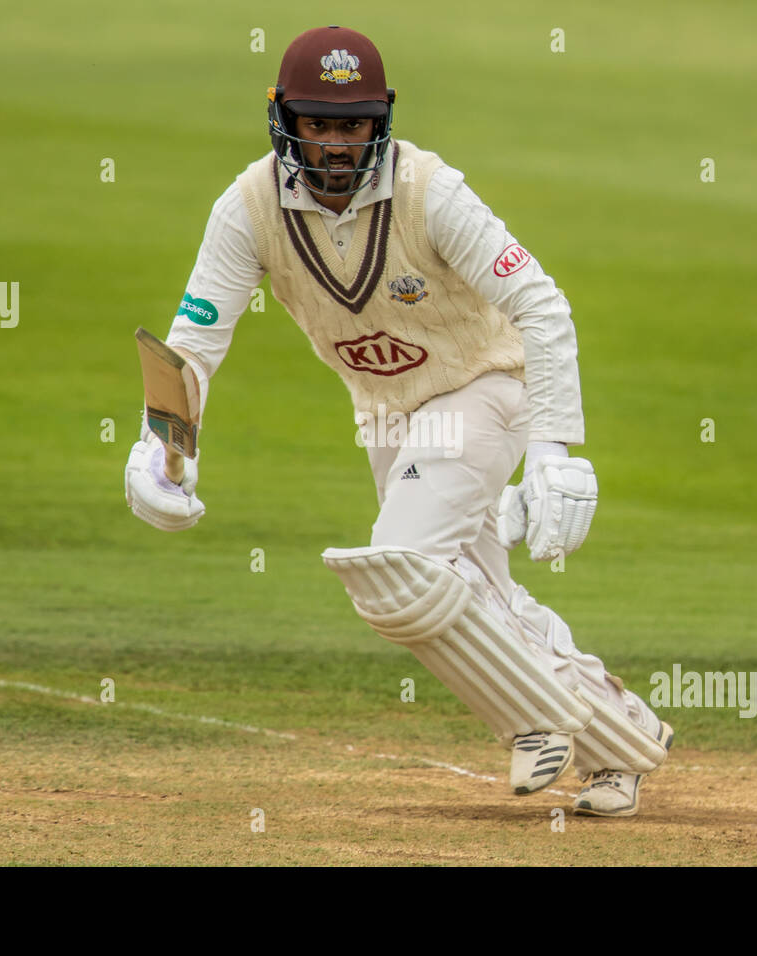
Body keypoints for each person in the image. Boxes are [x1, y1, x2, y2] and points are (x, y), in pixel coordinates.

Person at [124, 25, 673, 816]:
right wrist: (159, 450)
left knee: (399, 569)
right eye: (320, 123)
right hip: (386, 417)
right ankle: (621, 738)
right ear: (283, 117)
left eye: (354, 125)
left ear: (380, 122)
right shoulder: (246, 208)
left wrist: (554, 450)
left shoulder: (430, 191)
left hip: (483, 386)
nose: (338, 145)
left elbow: (541, 304)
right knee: (475, 588)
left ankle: (539, 722)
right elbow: (192, 346)